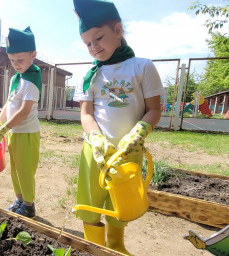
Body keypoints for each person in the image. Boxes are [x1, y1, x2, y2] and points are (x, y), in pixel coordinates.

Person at [72, 0, 164, 254]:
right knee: (90, 203)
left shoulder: (142, 67)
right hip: (95, 152)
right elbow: (86, 113)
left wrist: (139, 132)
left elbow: (154, 108)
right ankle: (93, 248)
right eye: (88, 43)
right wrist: (95, 138)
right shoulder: (91, 74)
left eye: (98, 38)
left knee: (120, 206)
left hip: (127, 152)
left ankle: (115, 245)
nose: (93, 47)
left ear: (118, 30)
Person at [0, 26, 41, 218]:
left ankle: (29, 205)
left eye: (20, 60)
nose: (16, 64)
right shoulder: (17, 78)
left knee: (25, 171)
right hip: (13, 132)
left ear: (33, 55)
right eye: (11, 61)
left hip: (26, 133)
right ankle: (19, 200)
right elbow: (9, 104)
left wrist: (4, 128)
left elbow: (25, 110)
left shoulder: (32, 79)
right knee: (15, 170)